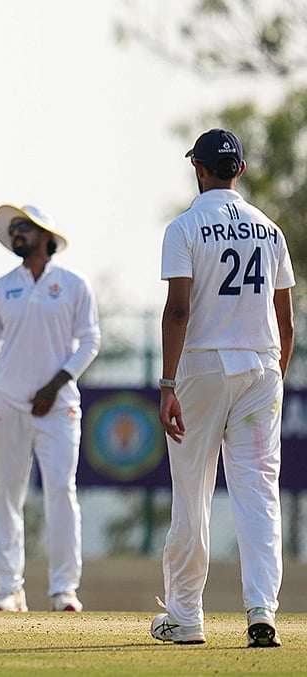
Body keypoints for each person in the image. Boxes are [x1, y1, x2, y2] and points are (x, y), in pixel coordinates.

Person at [151, 129, 294, 648]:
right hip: (262, 366)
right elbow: (286, 320)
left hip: (202, 367)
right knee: (259, 493)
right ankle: (262, 611)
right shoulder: (270, 230)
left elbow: (179, 310)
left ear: (199, 169)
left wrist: (167, 384)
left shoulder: (184, 227)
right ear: (240, 170)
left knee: (192, 493)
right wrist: (275, 376)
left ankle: (186, 617)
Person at [0, 203, 100, 613]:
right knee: (7, 496)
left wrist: (55, 386)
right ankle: (9, 589)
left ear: (46, 237)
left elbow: (90, 341)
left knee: (61, 492)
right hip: (7, 403)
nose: (16, 235)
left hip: (58, 407)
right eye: (13, 230)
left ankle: (64, 590)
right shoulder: (2, 287)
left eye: (23, 228)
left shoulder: (74, 284)